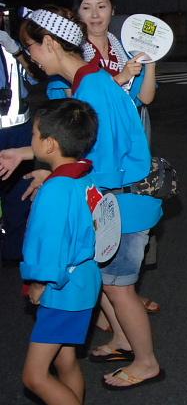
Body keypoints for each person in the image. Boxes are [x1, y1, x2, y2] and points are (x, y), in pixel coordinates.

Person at [5, 6, 164, 389]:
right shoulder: (90, 80)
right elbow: (86, 148)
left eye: (30, 47)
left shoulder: (91, 87)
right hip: (121, 200)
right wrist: (30, 156)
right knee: (110, 281)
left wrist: (55, 172)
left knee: (120, 287)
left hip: (124, 202)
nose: (30, 57)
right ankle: (123, 339)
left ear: (49, 43)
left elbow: (100, 160)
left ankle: (146, 362)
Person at [73, 0, 161, 324]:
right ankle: (108, 298)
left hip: (130, 139)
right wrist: (122, 75)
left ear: (113, 9)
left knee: (126, 216)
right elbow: (78, 102)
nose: (96, 14)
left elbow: (147, 98)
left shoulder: (122, 48)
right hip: (95, 143)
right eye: (87, 7)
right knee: (96, 217)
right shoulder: (75, 53)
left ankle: (120, 292)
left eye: (102, 6)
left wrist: (150, 62)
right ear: (78, 13)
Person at [20, 98, 101, 405]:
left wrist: (39, 282)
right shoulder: (84, 175)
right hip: (83, 281)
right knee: (64, 361)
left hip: (61, 287)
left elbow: (49, 244)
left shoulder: (55, 189)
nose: (32, 140)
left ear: (51, 145)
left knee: (35, 376)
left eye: (34, 135)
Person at [0, 18, 36, 263]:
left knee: (19, 194)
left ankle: (14, 253)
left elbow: (35, 75)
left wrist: (16, 50)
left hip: (18, 132)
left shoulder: (10, 46)